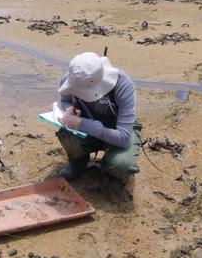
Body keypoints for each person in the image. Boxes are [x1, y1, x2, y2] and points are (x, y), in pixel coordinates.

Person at [55, 52, 141, 182]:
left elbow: (123, 138)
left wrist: (81, 123)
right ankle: (78, 165)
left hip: (118, 130)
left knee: (122, 165)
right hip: (88, 125)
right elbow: (65, 99)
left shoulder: (122, 84)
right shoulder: (72, 78)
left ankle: (109, 169)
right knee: (66, 134)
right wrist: (70, 109)